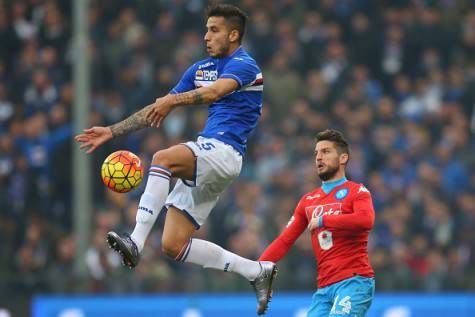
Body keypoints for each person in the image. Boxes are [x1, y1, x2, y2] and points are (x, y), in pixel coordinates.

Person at [75, 4, 276, 315]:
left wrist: (172, 99)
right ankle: (255, 271)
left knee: (163, 158)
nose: (206, 36)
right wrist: (112, 132)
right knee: (173, 245)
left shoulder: (245, 65)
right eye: (206, 29)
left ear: (234, 35)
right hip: (211, 157)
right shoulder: (200, 69)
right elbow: (158, 109)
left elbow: (214, 93)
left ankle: (137, 242)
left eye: (214, 30)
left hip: (225, 152)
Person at [259, 129, 375, 317]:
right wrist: (258, 267)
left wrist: (324, 219)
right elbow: (284, 240)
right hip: (324, 287)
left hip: (354, 281)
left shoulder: (358, 191)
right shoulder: (308, 200)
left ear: (343, 158)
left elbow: (365, 220)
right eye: (316, 153)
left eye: (326, 151)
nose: (319, 157)